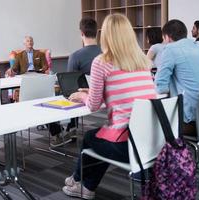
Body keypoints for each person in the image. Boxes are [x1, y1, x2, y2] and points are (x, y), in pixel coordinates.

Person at [62, 14, 156, 199]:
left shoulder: (102, 62)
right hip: (153, 141)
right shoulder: (143, 61)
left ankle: (81, 182)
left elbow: (93, 107)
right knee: (97, 137)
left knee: (90, 138)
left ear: (105, 36)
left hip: (131, 147)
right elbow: (125, 96)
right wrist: (94, 93)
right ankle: (81, 183)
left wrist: (83, 95)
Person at [155, 19, 199, 136]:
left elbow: (160, 87)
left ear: (167, 37)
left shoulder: (170, 49)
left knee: (151, 121)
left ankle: (170, 153)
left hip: (192, 122)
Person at [64, 17, 102, 135]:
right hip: (105, 95)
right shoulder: (107, 53)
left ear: (82, 33)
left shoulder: (75, 56)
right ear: (97, 32)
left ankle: (70, 127)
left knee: (62, 92)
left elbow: (70, 84)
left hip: (85, 95)